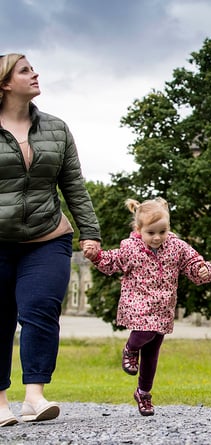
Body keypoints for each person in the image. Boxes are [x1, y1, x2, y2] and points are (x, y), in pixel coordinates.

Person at [0, 53, 101, 427]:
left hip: (48, 236)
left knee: (41, 308)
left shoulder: (56, 129)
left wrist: (90, 232)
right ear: (5, 83)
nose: (35, 73)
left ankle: (34, 397)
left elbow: (73, 185)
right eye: (25, 70)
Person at [83, 197, 211, 416]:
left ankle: (143, 393)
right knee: (145, 330)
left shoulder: (176, 247)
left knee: (152, 353)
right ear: (139, 229)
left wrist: (204, 269)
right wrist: (95, 255)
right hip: (139, 304)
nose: (157, 238)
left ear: (169, 228)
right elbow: (112, 261)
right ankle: (130, 348)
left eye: (162, 232)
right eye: (151, 233)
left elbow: (193, 263)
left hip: (164, 307)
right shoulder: (131, 248)